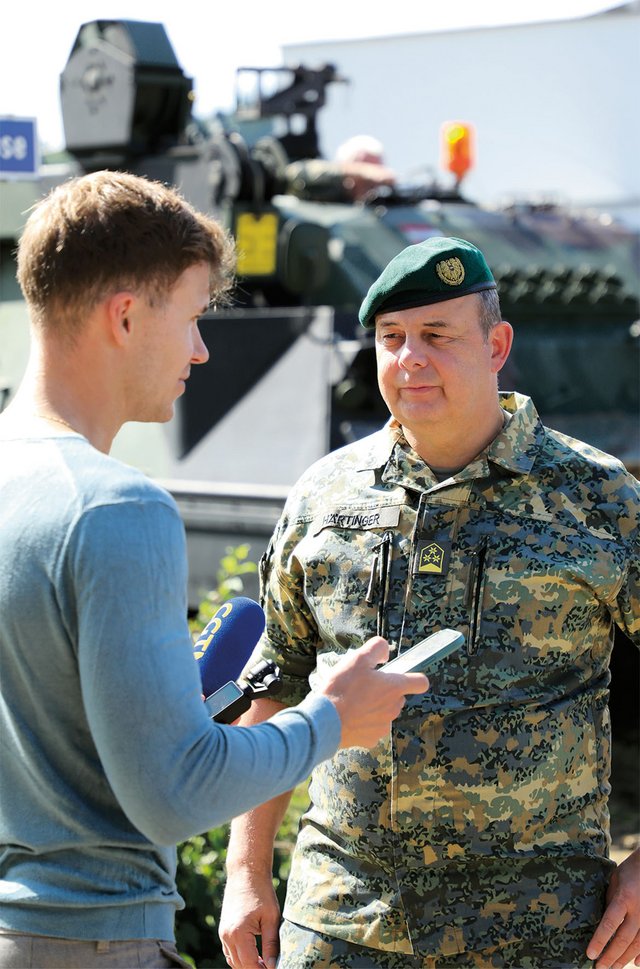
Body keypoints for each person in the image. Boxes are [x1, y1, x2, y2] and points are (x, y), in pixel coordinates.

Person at [0, 170, 428, 969]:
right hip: (94, 939)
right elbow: (175, 793)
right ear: (126, 316)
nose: (201, 348)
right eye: (194, 317)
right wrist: (334, 717)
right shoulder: (117, 509)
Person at [219, 235, 640, 969]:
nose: (410, 358)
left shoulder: (599, 498)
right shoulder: (324, 497)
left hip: (534, 933)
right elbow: (276, 683)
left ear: (497, 344)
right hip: (343, 923)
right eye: (392, 337)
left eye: (438, 336)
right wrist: (246, 872)